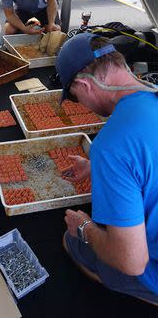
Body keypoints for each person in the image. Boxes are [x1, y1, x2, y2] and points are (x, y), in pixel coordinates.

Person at [55, 33, 158, 305]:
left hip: (147, 266)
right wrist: (95, 166)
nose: (83, 106)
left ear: (83, 84)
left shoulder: (111, 145)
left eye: (76, 98)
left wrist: (85, 228)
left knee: (71, 240)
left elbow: (131, 261)